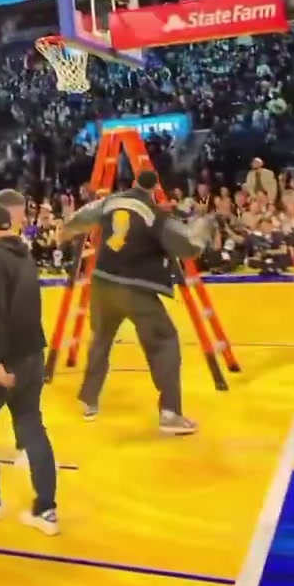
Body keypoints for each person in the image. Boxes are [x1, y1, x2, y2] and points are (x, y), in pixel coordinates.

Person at [62, 170, 212, 435]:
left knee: (101, 339)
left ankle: (89, 401)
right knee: (164, 341)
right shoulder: (157, 216)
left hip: (103, 282)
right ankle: (170, 413)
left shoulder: (111, 201)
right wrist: (203, 224)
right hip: (136, 287)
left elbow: (79, 219)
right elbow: (190, 246)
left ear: (133, 183)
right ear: (155, 188)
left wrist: (65, 231)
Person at [0, 203, 58, 535]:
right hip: (32, 355)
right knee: (32, 425)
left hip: (3, 360)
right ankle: (46, 509)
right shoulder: (24, 255)